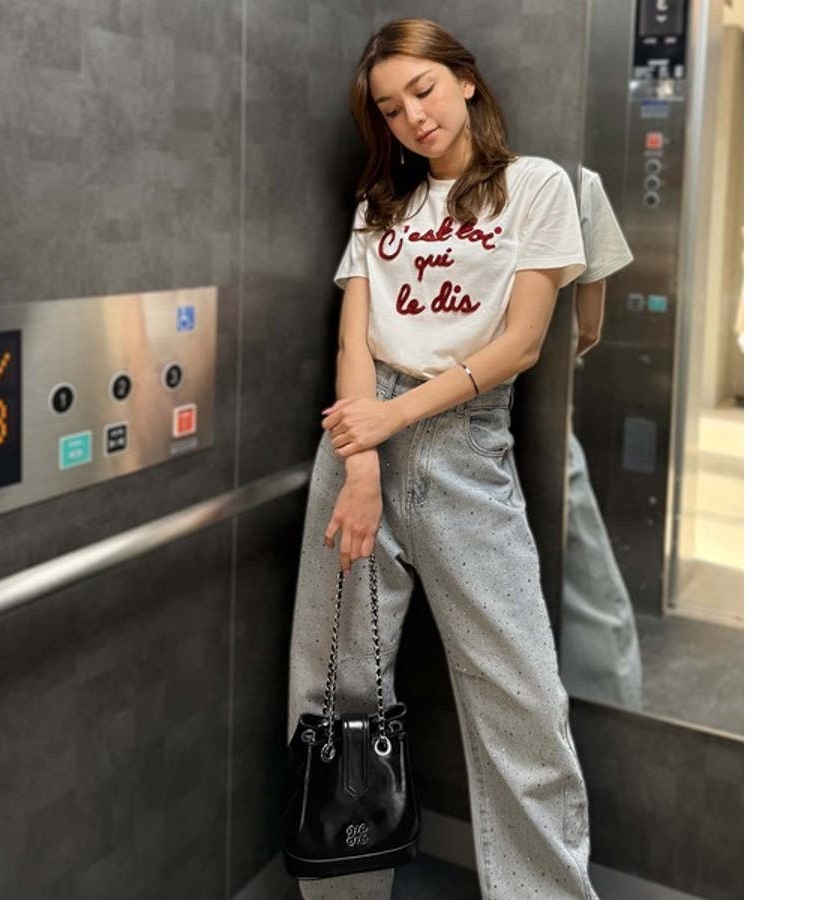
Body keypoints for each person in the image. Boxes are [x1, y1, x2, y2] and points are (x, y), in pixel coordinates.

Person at [287, 18, 600, 900]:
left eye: (422, 90)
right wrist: (360, 464)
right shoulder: (380, 205)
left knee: (523, 702)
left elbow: (521, 344)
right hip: (357, 447)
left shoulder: (535, 186)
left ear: (464, 80)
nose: (412, 117)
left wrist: (390, 421)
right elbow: (353, 340)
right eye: (390, 109)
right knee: (337, 692)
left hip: (462, 440)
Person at [560, 167, 644, 710]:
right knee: (586, 579)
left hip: (423, 410)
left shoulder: (421, 172)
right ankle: (609, 717)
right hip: (539, 412)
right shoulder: (577, 178)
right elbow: (589, 328)